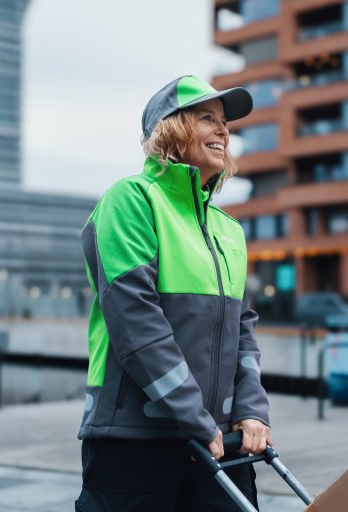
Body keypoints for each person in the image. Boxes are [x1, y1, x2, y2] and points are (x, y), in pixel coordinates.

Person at [75, 75, 272, 511]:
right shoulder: (131, 200)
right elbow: (137, 325)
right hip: (134, 441)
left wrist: (253, 410)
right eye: (207, 119)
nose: (223, 130)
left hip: (220, 440)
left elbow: (243, 330)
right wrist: (194, 417)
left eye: (225, 123)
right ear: (170, 129)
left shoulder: (229, 229)